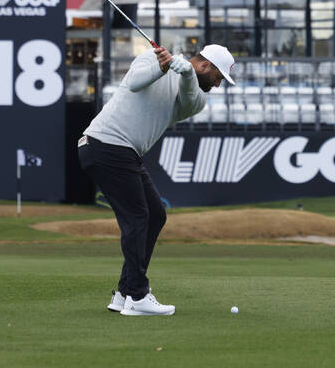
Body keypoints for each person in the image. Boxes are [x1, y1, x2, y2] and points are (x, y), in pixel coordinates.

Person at [78, 42, 235, 316]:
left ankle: (125, 292)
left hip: (123, 152)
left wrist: (186, 73)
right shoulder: (151, 58)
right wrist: (160, 68)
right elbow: (135, 83)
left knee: (155, 214)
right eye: (219, 77)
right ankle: (138, 296)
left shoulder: (198, 97)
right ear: (206, 65)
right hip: (106, 144)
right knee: (138, 217)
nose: (219, 85)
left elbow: (187, 99)